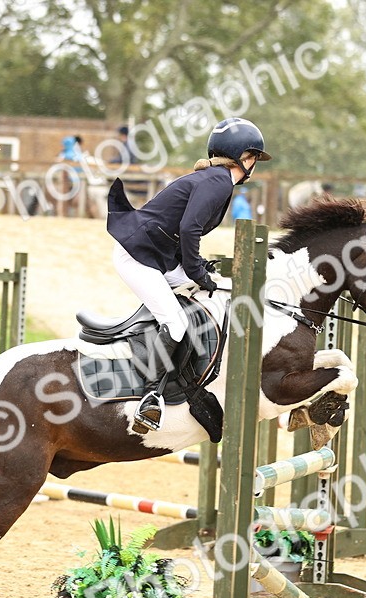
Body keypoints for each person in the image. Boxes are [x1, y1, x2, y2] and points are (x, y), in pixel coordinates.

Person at [106, 117, 271, 433]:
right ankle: (149, 396)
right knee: (177, 322)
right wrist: (196, 271)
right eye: (255, 159)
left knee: (217, 296)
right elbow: (189, 228)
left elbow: (181, 231)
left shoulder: (216, 180)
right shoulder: (219, 182)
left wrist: (199, 272)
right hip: (138, 257)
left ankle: (193, 379)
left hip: (157, 256)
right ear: (245, 157)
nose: (255, 166)